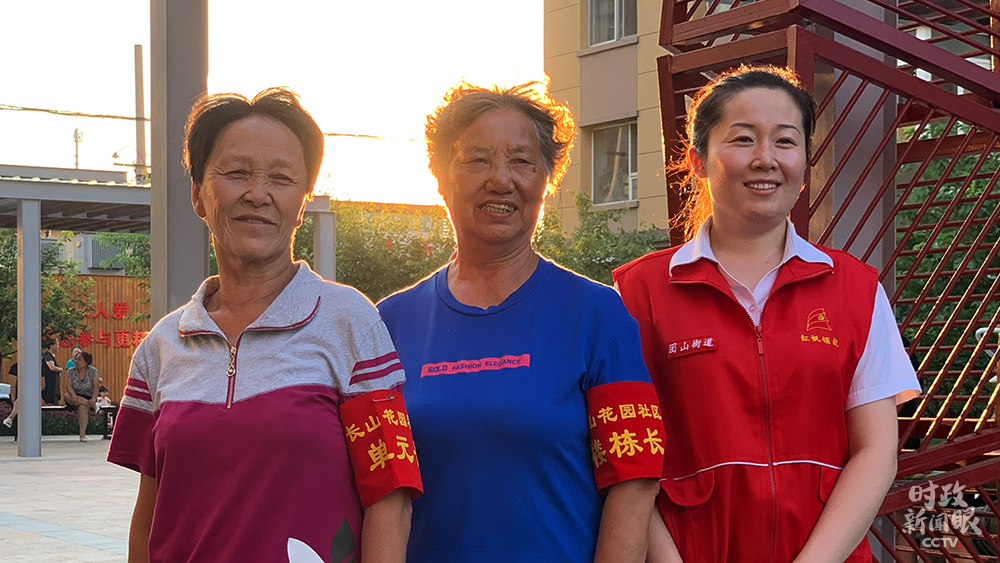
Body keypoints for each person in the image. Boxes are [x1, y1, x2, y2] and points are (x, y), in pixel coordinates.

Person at [613, 66, 921, 563]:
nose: (766, 159)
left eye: (785, 141)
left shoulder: (856, 290)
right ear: (697, 160)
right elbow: (626, 458)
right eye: (742, 139)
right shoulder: (637, 293)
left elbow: (876, 451)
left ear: (804, 161)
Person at [107, 87, 421, 563]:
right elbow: (149, 517)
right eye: (236, 173)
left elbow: (390, 497)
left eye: (281, 178)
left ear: (303, 200)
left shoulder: (350, 323)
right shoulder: (162, 346)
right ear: (197, 195)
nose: (257, 193)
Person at [377, 81, 664, 563]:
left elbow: (634, 485)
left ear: (547, 178)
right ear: (439, 175)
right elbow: (380, 490)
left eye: (522, 161)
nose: (500, 179)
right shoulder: (389, 323)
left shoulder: (599, 315)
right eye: (477, 159)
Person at [64, 351, 102, 442]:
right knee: (67, 396)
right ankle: (94, 406)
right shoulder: (70, 371)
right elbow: (68, 386)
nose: (76, 362)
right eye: (75, 359)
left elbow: (96, 387)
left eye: (79, 360)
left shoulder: (93, 371)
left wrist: (93, 399)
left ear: (86, 362)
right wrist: (73, 395)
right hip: (73, 395)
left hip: (88, 396)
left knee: (82, 408)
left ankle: (82, 435)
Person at [2, 361, 17, 429]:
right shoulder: (15, 367)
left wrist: (13, 400)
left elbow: (13, 385)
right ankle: (10, 418)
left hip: (19, 395)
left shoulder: (15, 367)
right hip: (20, 395)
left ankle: (11, 418)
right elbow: (13, 386)